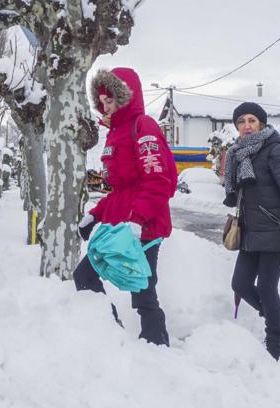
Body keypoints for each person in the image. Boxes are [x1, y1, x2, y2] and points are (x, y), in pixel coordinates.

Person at [74, 67, 177, 346]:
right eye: (102, 101)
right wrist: (95, 215)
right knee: (85, 276)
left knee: (142, 289)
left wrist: (138, 220)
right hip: (121, 227)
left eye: (111, 100)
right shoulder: (115, 133)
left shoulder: (143, 126)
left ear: (126, 97)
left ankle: (156, 345)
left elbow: (156, 180)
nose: (106, 106)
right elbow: (121, 190)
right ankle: (110, 333)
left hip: (143, 225)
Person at [223, 102, 280, 360]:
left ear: (261, 123)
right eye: (241, 122)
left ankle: (276, 340)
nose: (246, 126)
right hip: (250, 232)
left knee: (267, 288)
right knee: (240, 284)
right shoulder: (238, 153)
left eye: (251, 120)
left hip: (275, 231)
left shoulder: (274, 151)